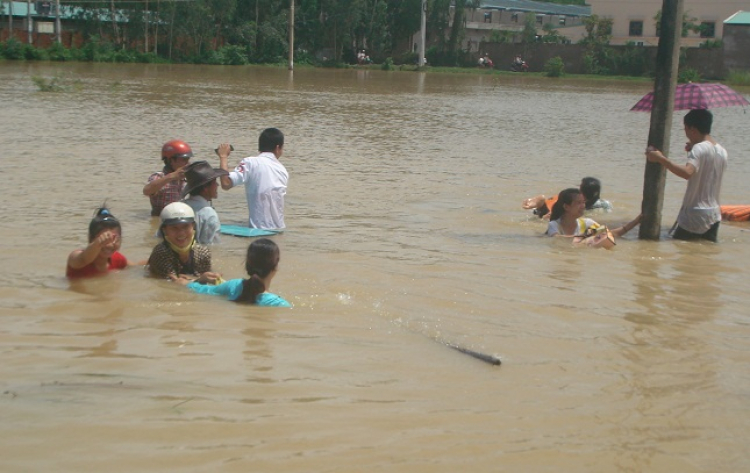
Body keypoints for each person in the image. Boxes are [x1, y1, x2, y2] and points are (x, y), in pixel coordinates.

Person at [646, 109, 727, 242]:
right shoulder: (722, 151)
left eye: (686, 129)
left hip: (695, 214)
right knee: (704, 255)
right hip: (714, 214)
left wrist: (661, 159)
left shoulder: (699, 149)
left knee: (682, 254)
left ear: (693, 129)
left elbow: (687, 173)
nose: (686, 133)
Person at [172, 238, 291, 307]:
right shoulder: (279, 304)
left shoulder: (234, 285)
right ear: (275, 267)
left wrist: (190, 281)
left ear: (247, 265)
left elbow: (198, 288)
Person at [217, 128, 288, 230]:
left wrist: (223, 156)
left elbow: (225, 183)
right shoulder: (283, 170)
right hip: (279, 230)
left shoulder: (250, 163)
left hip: (259, 231)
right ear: (277, 148)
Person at [147, 202, 220, 282]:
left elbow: (206, 276)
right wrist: (199, 280)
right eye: (174, 228)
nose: (181, 233)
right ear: (164, 231)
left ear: (193, 227)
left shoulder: (203, 253)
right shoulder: (161, 253)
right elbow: (172, 283)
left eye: (185, 226)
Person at [545, 188, 641, 247]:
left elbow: (610, 234)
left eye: (583, 202)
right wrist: (587, 236)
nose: (583, 206)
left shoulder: (587, 223)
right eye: (578, 203)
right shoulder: (554, 225)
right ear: (566, 207)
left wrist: (636, 221)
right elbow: (557, 238)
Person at [67, 206, 129, 278]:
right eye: (103, 238)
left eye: (114, 238)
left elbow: (136, 267)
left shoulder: (118, 260)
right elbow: (84, 259)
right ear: (90, 239)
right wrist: (98, 243)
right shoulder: (75, 258)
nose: (109, 245)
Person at [181, 160, 228, 245]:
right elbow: (211, 247)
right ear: (205, 188)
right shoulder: (209, 214)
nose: (217, 185)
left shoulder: (178, 206)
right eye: (214, 182)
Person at [143, 140, 193, 217]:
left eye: (188, 160)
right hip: (163, 220)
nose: (188, 164)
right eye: (184, 160)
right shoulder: (159, 177)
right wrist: (172, 176)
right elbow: (146, 191)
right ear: (171, 160)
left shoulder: (188, 179)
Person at [523, 177, 612, 219]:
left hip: (549, 206)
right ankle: (538, 203)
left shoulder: (573, 197)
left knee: (543, 201)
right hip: (551, 210)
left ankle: (536, 202)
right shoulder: (602, 204)